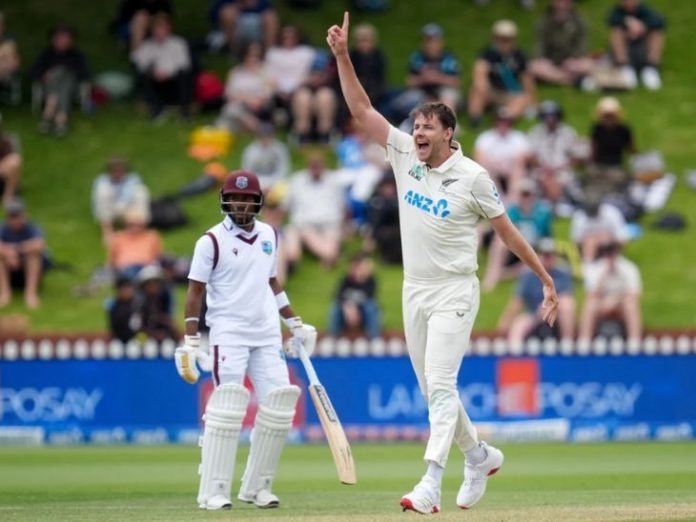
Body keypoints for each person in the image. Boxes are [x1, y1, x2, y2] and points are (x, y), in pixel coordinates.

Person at [327, 12, 559, 514]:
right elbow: (362, 108)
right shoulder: (403, 155)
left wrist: (544, 278)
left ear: (448, 133)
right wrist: (343, 56)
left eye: (427, 127)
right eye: (415, 126)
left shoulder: (473, 177)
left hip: (455, 290)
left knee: (441, 385)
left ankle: (430, 482)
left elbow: (507, 232)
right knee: (434, 391)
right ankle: (478, 456)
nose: (417, 133)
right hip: (415, 289)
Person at [174, 169, 313, 510]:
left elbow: (271, 281)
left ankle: (258, 487)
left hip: (266, 333)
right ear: (225, 200)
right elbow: (195, 292)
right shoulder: (210, 241)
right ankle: (213, 490)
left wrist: (294, 321)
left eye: (247, 199)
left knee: (280, 405)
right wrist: (191, 340)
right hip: (229, 333)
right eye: (234, 198)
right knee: (227, 408)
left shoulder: (270, 234)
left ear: (258, 202)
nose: (240, 204)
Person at [497, 238, 575, 347]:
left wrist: (549, 307)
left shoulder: (562, 273)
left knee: (567, 304)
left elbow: (566, 298)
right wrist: (501, 330)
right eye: (545, 255)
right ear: (537, 255)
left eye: (551, 255)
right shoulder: (527, 275)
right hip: (534, 314)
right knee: (519, 324)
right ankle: (514, 352)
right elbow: (516, 303)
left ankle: (568, 344)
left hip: (556, 313)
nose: (548, 259)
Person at [482, 178, 553, 292]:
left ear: (534, 195)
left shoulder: (543, 212)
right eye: (522, 194)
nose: (525, 198)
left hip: (533, 247)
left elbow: (546, 235)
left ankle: (504, 275)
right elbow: (504, 231)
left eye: (527, 194)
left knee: (540, 260)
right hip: (514, 246)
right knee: (499, 243)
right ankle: (492, 274)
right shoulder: (512, 210)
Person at [467, 20, 536, 127]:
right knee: (475, 90)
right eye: (501, 38)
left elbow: (527, 79)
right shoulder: (487, 54)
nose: (504, 42)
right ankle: (475, 119)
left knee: (522, 99)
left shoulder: (520, 56)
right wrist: (483, 89)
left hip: (511, 93)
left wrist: (533, 102)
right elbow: (479, 73)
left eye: (507, 39)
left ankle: (503, 121)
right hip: (492, 91)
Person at [283, 151, 345, 269]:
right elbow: (284, 205)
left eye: (318, 165)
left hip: (329, 223)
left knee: (329, 249)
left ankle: (328, 254)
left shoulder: (334, 180)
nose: (316, 169)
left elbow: (342, 205)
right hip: (304, 225)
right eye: (313, 165)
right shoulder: (296, 180)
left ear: (324, 165)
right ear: (308, 166)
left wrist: (345, 226)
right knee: (294, 247)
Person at [391, 23, 461, 121]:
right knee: (407, 100)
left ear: (440, 41)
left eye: (434, 41)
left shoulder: (448, 58)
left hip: (443, 91)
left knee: (448, 95)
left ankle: (450, 124)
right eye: (428, 40)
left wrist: (437, 78)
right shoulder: (417, 57)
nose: (430, 44)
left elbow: (456, 82)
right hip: (422, 92)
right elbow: (409, 82)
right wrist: (423, 78)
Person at [31, 24, 90, 136]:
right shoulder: (46, 55)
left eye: (65, 38)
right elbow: (34, 72)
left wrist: (65, 71)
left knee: (64, 76)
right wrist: (45, 75)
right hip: (50, 86)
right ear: (52, 40)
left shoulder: (77, 56)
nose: (62, 41)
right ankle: (61, 122)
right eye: (59, 38)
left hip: (71, 87)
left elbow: (85, 74)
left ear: (71, 41)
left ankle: (47, 117)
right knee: (57, 78)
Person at [130, 13, 192, 121]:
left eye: (161, 28)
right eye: (156, 29)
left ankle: (184, 114)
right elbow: (137, 61)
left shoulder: (178, 44)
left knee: (184, 75)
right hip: (156, 82)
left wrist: (167, 74)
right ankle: (157, 112)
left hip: (174, 81)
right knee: (143, 75)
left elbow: (184, 64)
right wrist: (153, 73)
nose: (158, 32)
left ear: (168, 29)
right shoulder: (148, 46)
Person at [578, 240, 642, 342]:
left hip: (621, 305)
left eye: (612, 252)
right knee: (590, 305)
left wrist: (615, 301)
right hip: (601, 304)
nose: (610, 256)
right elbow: (591, 295)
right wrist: (604, 275)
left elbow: (634, 294)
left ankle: (635, 341)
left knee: (631, 305)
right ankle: (584, 341)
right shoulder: (596, 268)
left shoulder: (629, 268)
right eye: (607, 253)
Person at [527, 100, 583, 207]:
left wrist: (560, 167)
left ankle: (559, 204)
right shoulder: (535, 132)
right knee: (536, 179)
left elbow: (576, 157)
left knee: (565, 178)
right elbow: (530, 156)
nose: (550, 119)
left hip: (562, 169)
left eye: (553, 116)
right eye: (547, 116)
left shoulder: (568, 132)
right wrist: (543, 167)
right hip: (541, 169)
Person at [529, 0, 595, 89]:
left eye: (566, 2)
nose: (562, 5)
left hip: (572, 63)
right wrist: (543, 59)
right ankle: (569, 80)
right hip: (550, 63)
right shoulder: (544, 22)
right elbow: (539, 46)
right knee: (533, 67)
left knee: (588, 65)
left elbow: (582, 46)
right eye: (559, 2)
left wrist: (573, 59)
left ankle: (555, 78)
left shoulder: (579, 21)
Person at [215, 41, 275, 134]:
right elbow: (229, 93)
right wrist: (247, 100)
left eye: (256, 56)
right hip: (240, 105)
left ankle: (252, 126)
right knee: (231, 112)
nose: (253, 58)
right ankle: (257, 127)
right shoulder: (235, 72)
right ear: (244, 55)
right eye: (249, 55)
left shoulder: (266, 70)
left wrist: (258, 101)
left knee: (230, 112)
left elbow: (269, 91)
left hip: (259, 107)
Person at [473, 108, 531, 201]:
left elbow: (525, 157)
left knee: (518, 167)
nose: (503, 124)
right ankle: (498, 198)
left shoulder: (519, 137)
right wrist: (496, 165)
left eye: (506, 121)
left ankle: (512, 200)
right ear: (495, 122)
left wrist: (508, 164)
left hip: (512, 170)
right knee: (485, 166)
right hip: (492, 169)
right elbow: (478, 157)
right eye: (500, 121)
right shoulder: (485, 137)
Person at [0, 200, 49, 309]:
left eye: (17, 216)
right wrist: (8, 253)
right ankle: (5, 293)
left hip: (29, 270)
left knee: (33, 256)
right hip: (10, 270)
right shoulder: (2, 228)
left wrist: (16, 250)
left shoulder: (33, 227)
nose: (15, 220)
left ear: (24, 215)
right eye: (12, 217)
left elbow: (40, 244)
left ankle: (30, 294)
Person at [92, 155, 151, 244]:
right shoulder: (102, 181)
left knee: (141, 191)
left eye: (121, 171)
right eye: (115, 171)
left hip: (128, 209)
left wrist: (124, 205)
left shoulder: (133, 180)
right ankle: (107, 231)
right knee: (103, 194)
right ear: (110, 172)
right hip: (111, 209)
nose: (118, 174)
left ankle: (138, 228)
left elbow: (133, 198)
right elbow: (97, 204)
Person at [607, 0, 666, 90]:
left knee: (657, 33)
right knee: (616, 32)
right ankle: (625, 67)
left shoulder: (645, 10)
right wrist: (627, 21)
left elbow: (660, 21)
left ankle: (651, 68)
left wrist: (642, 26)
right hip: (626, 49)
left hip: (642, 48)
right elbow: (611, 20)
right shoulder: (617, 12)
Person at [587, 96, 636, 202]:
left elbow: (632, 150)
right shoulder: (597, 129)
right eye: (606, 115)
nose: (609, 118)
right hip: (599, 165)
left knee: (615, 179)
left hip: (616, 166)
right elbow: (593, 149)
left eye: (611, 115)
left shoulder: (624, 130)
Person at [328, 251, 381, 339]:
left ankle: (374, 337)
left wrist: (361, 280)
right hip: (347, 312)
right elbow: (338, 296)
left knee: (371, 306)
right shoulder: (346, 280)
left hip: (362, 312)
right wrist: (348, 306)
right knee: (335, 307)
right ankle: (333, 336)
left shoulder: (371, 280)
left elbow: (369, 296)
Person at [107, 208, 163, 279]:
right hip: (126, 268)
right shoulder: (118, 237)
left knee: (151, 273)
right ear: (126, 224)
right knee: (130, 272)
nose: (135, 227)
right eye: (132, 224)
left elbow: (157, 256)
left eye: (139, 224)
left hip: (147, 266)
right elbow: (112, 260)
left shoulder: (151, 236)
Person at [208, 0, 279, 53]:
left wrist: (252, 6)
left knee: (270, 17)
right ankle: (236, 53)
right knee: (227, 13)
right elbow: (213, 15)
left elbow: (268, 11)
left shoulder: (261, 2)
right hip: (233, 31)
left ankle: (269, 55)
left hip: (257, 27)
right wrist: (239, 6)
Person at [241, 122, 290, 190]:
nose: (266, 139)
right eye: (263, 136)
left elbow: (284, 170)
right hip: (256, 183)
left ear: (273, 135)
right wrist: (260, 185)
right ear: (258, 136)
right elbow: (247, 171)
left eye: (268, 136)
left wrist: (272, 185)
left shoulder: (280, 149)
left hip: (276, 184)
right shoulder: (250, 150)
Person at [0, 113, 21, 208]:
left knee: (14, 161)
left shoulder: (9, 140)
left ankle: (8, 196)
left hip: (3, 174)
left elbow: (15, 159)